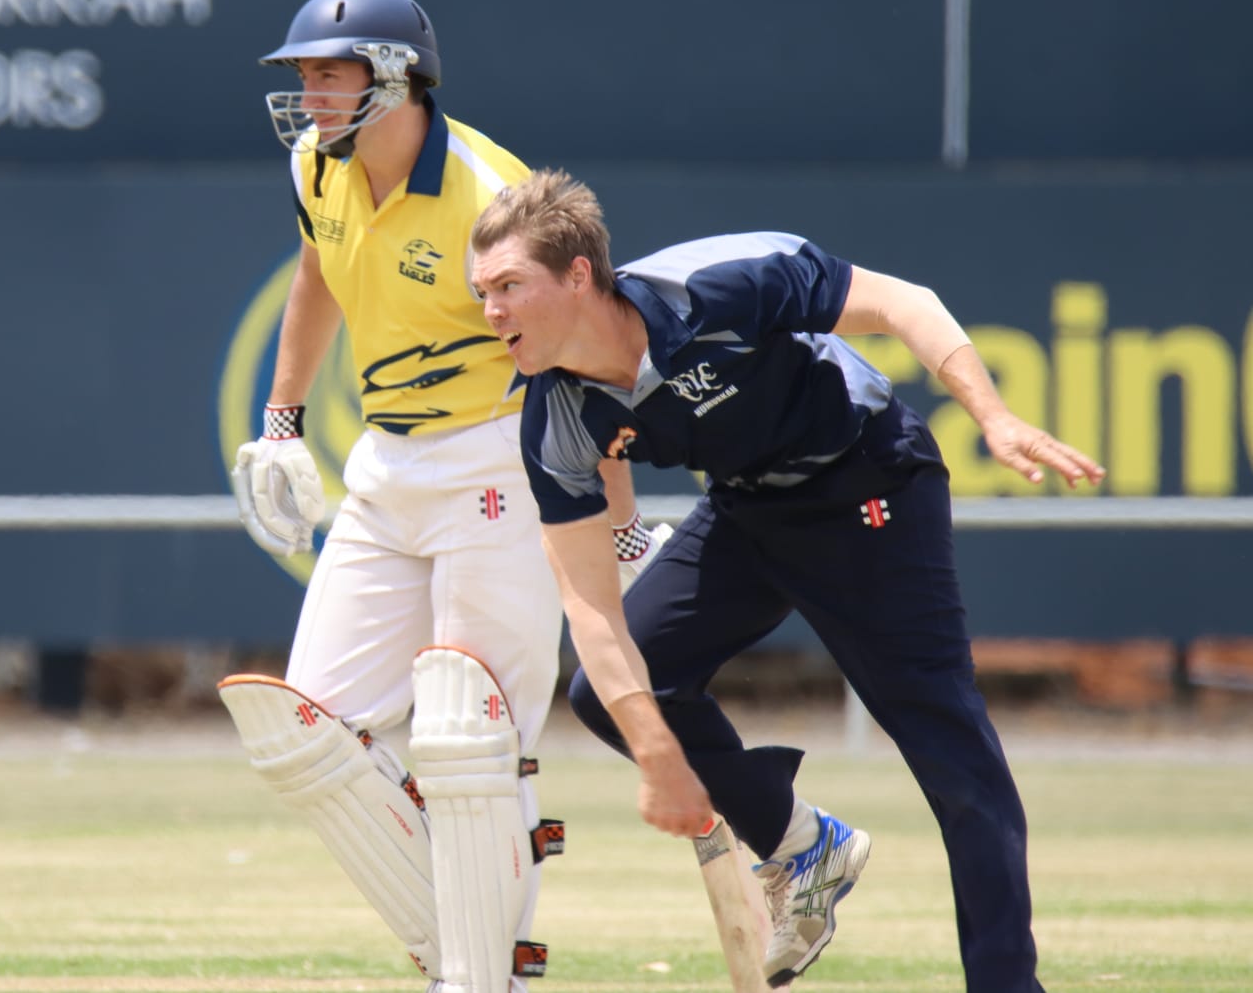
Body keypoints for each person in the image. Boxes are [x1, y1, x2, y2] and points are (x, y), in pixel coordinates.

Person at [466, 169, 1104, 992]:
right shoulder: (552, 417)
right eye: (483, 291)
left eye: (510, 286)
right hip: (748, 511)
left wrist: (994, 416)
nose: (492, 311)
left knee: (952, 754)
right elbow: (590, 608)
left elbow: (906, 302)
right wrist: (657, 751)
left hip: (870, 484)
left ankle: (1007, 982)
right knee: (608, 692)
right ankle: (804, 845)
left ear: (579, 275)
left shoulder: (717, 285)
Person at [220, 0, 637, 993]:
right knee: (301, 732)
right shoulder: (314, 165)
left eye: (331, 73)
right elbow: (319, 271)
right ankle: (480, 950)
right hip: (386, 461)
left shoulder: (490, 198)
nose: (311, 94)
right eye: (303, 75)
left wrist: (615, 527)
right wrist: (280, 421)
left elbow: (588, 354)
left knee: (466, 736)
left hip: (500, 454)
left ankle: (477, 975)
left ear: (396, 75)